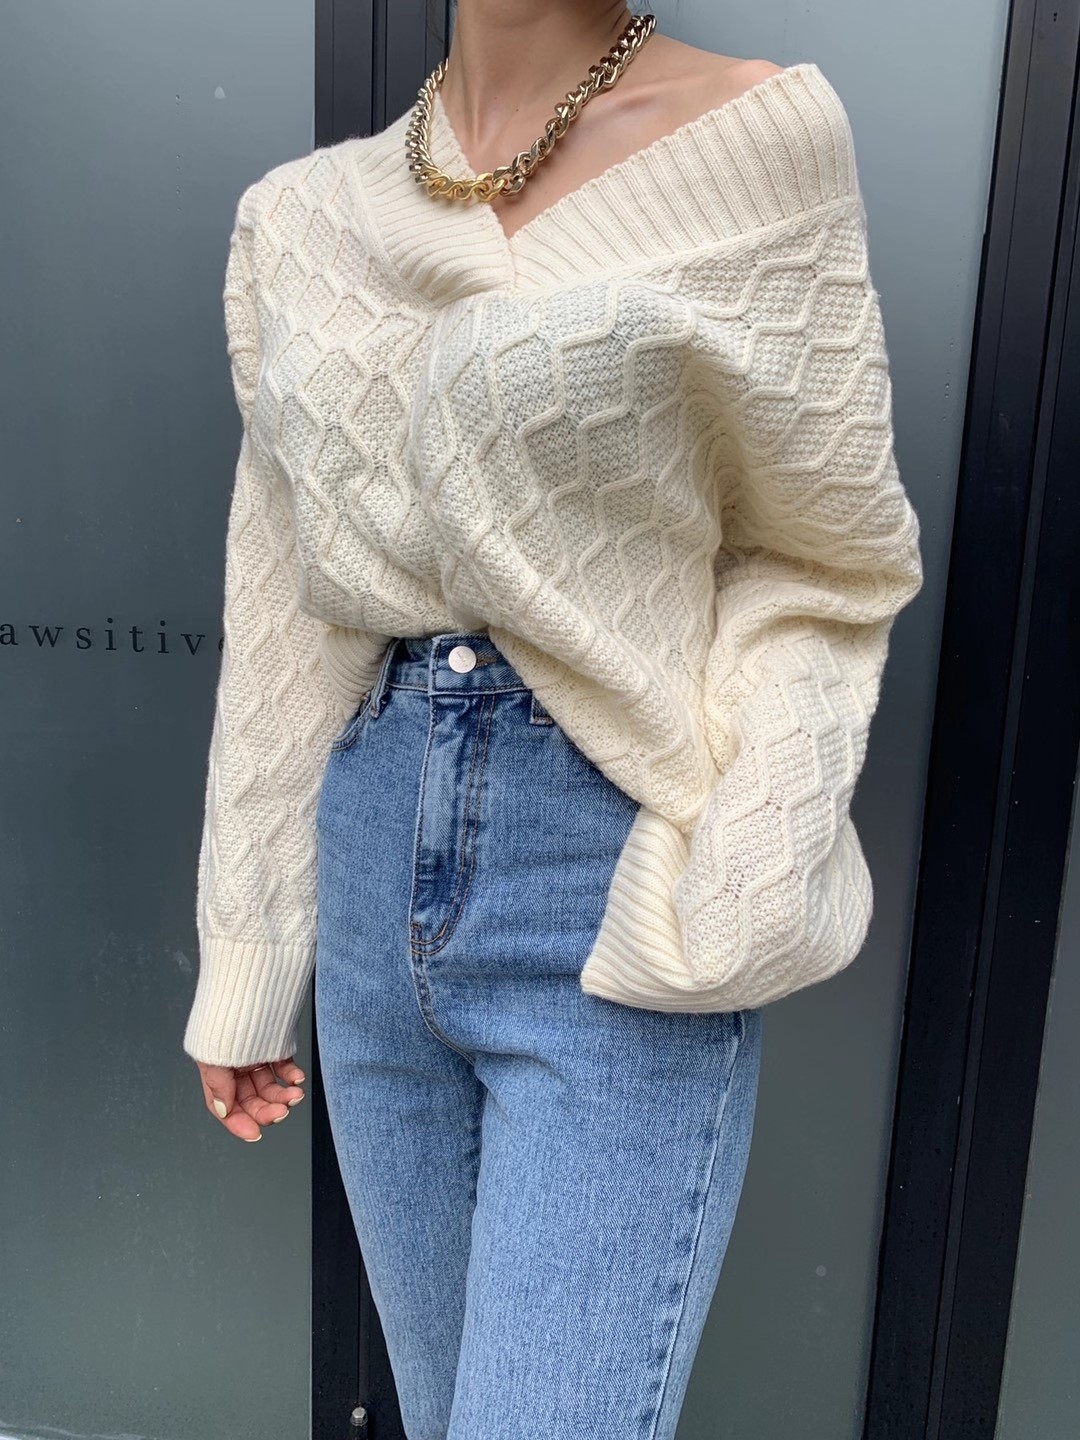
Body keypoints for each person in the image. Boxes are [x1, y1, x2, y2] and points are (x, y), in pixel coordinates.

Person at [183, 4, 924, 1436]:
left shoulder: (757, 142)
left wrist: (745, 868)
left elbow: (827, 558)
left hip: (606, 884)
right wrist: (252, 947)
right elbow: (281, 601)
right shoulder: (301, 218)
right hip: (369, 860)